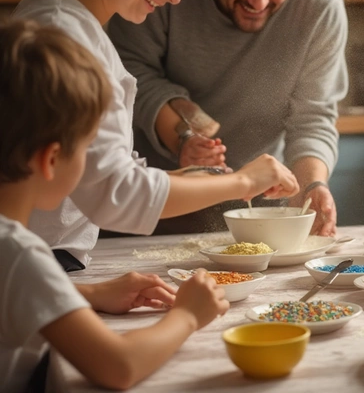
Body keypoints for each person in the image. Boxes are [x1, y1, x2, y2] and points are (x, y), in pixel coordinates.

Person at [12, 0, 299, 271]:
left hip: (46, 263)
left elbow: (113, 175)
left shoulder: (67, 22)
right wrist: (243, 181)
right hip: (39, 263)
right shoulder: (63, 38)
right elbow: (117, 195)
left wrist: (221, 177)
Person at [0, 19, 230, 392]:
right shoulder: (18, 253)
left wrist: (90, 294)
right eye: (88, 147)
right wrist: (188, 316)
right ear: (51, 160)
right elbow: (119, 366)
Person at [107, 0, 348, 237]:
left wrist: (312, 185)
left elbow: (312, 117)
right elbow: (132, 73)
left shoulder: (320, 8)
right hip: (152, 205)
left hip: (255, 215)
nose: (259, 1)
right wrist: (184, 138)